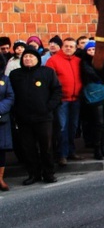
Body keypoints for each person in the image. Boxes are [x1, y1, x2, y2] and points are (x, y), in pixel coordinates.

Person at [9, 46, 62, 184]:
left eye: (31, 57)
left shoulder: (48, 72)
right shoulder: (15, 75)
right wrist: (15, 111)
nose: (28, 59)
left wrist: (49, 107)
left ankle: (49, 173)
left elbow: (57, 91)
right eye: (25, 57)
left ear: (37, 59)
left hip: (44, 118)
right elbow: (10, 95)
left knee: (46, 147)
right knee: (28, 148)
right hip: (23, 118)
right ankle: (33, 174)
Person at [45, 37, 83, 165]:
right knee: (61, 128)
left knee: (73, 127)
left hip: (76, 99)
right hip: (62, 100)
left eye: (71, 46)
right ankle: (62, 154)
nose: (68, 48)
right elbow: (49, 82)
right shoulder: (53, 61)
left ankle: (71, 151)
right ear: (62, 47)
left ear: (75, 48)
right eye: (66, 46)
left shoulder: (78, 61)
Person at [80, 41, 104, 160]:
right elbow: (93, 75)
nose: (92, 52)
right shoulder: (85, 63)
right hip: (94, 93)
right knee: (98, 123)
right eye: (89, 50)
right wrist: (102, 78)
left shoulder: (103, 61)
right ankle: (97, 149)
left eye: (94, 50)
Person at [0, 72, 15, 191]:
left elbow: (10, 97)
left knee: (1, 149)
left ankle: (0, 178)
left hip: (1, 118)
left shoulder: (5, 79)